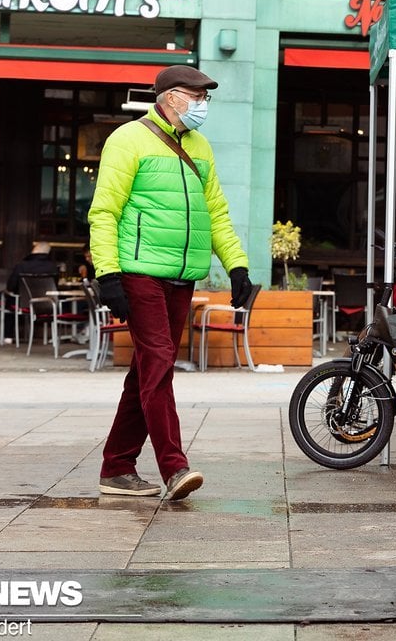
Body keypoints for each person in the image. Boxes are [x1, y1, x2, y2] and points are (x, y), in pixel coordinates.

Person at [88, 64, 253, 500]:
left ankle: (117, 468)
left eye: (205, 97)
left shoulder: (200, 146)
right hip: (139, 270)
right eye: (195, 95)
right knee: (159, 362)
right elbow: (104, 211)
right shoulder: (128, 139)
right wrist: (107, 274)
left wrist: (237, 266)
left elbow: (215, 212)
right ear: (168, 97)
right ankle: (174, 467)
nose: (202, 104)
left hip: (182, 277)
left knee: (145, 368)